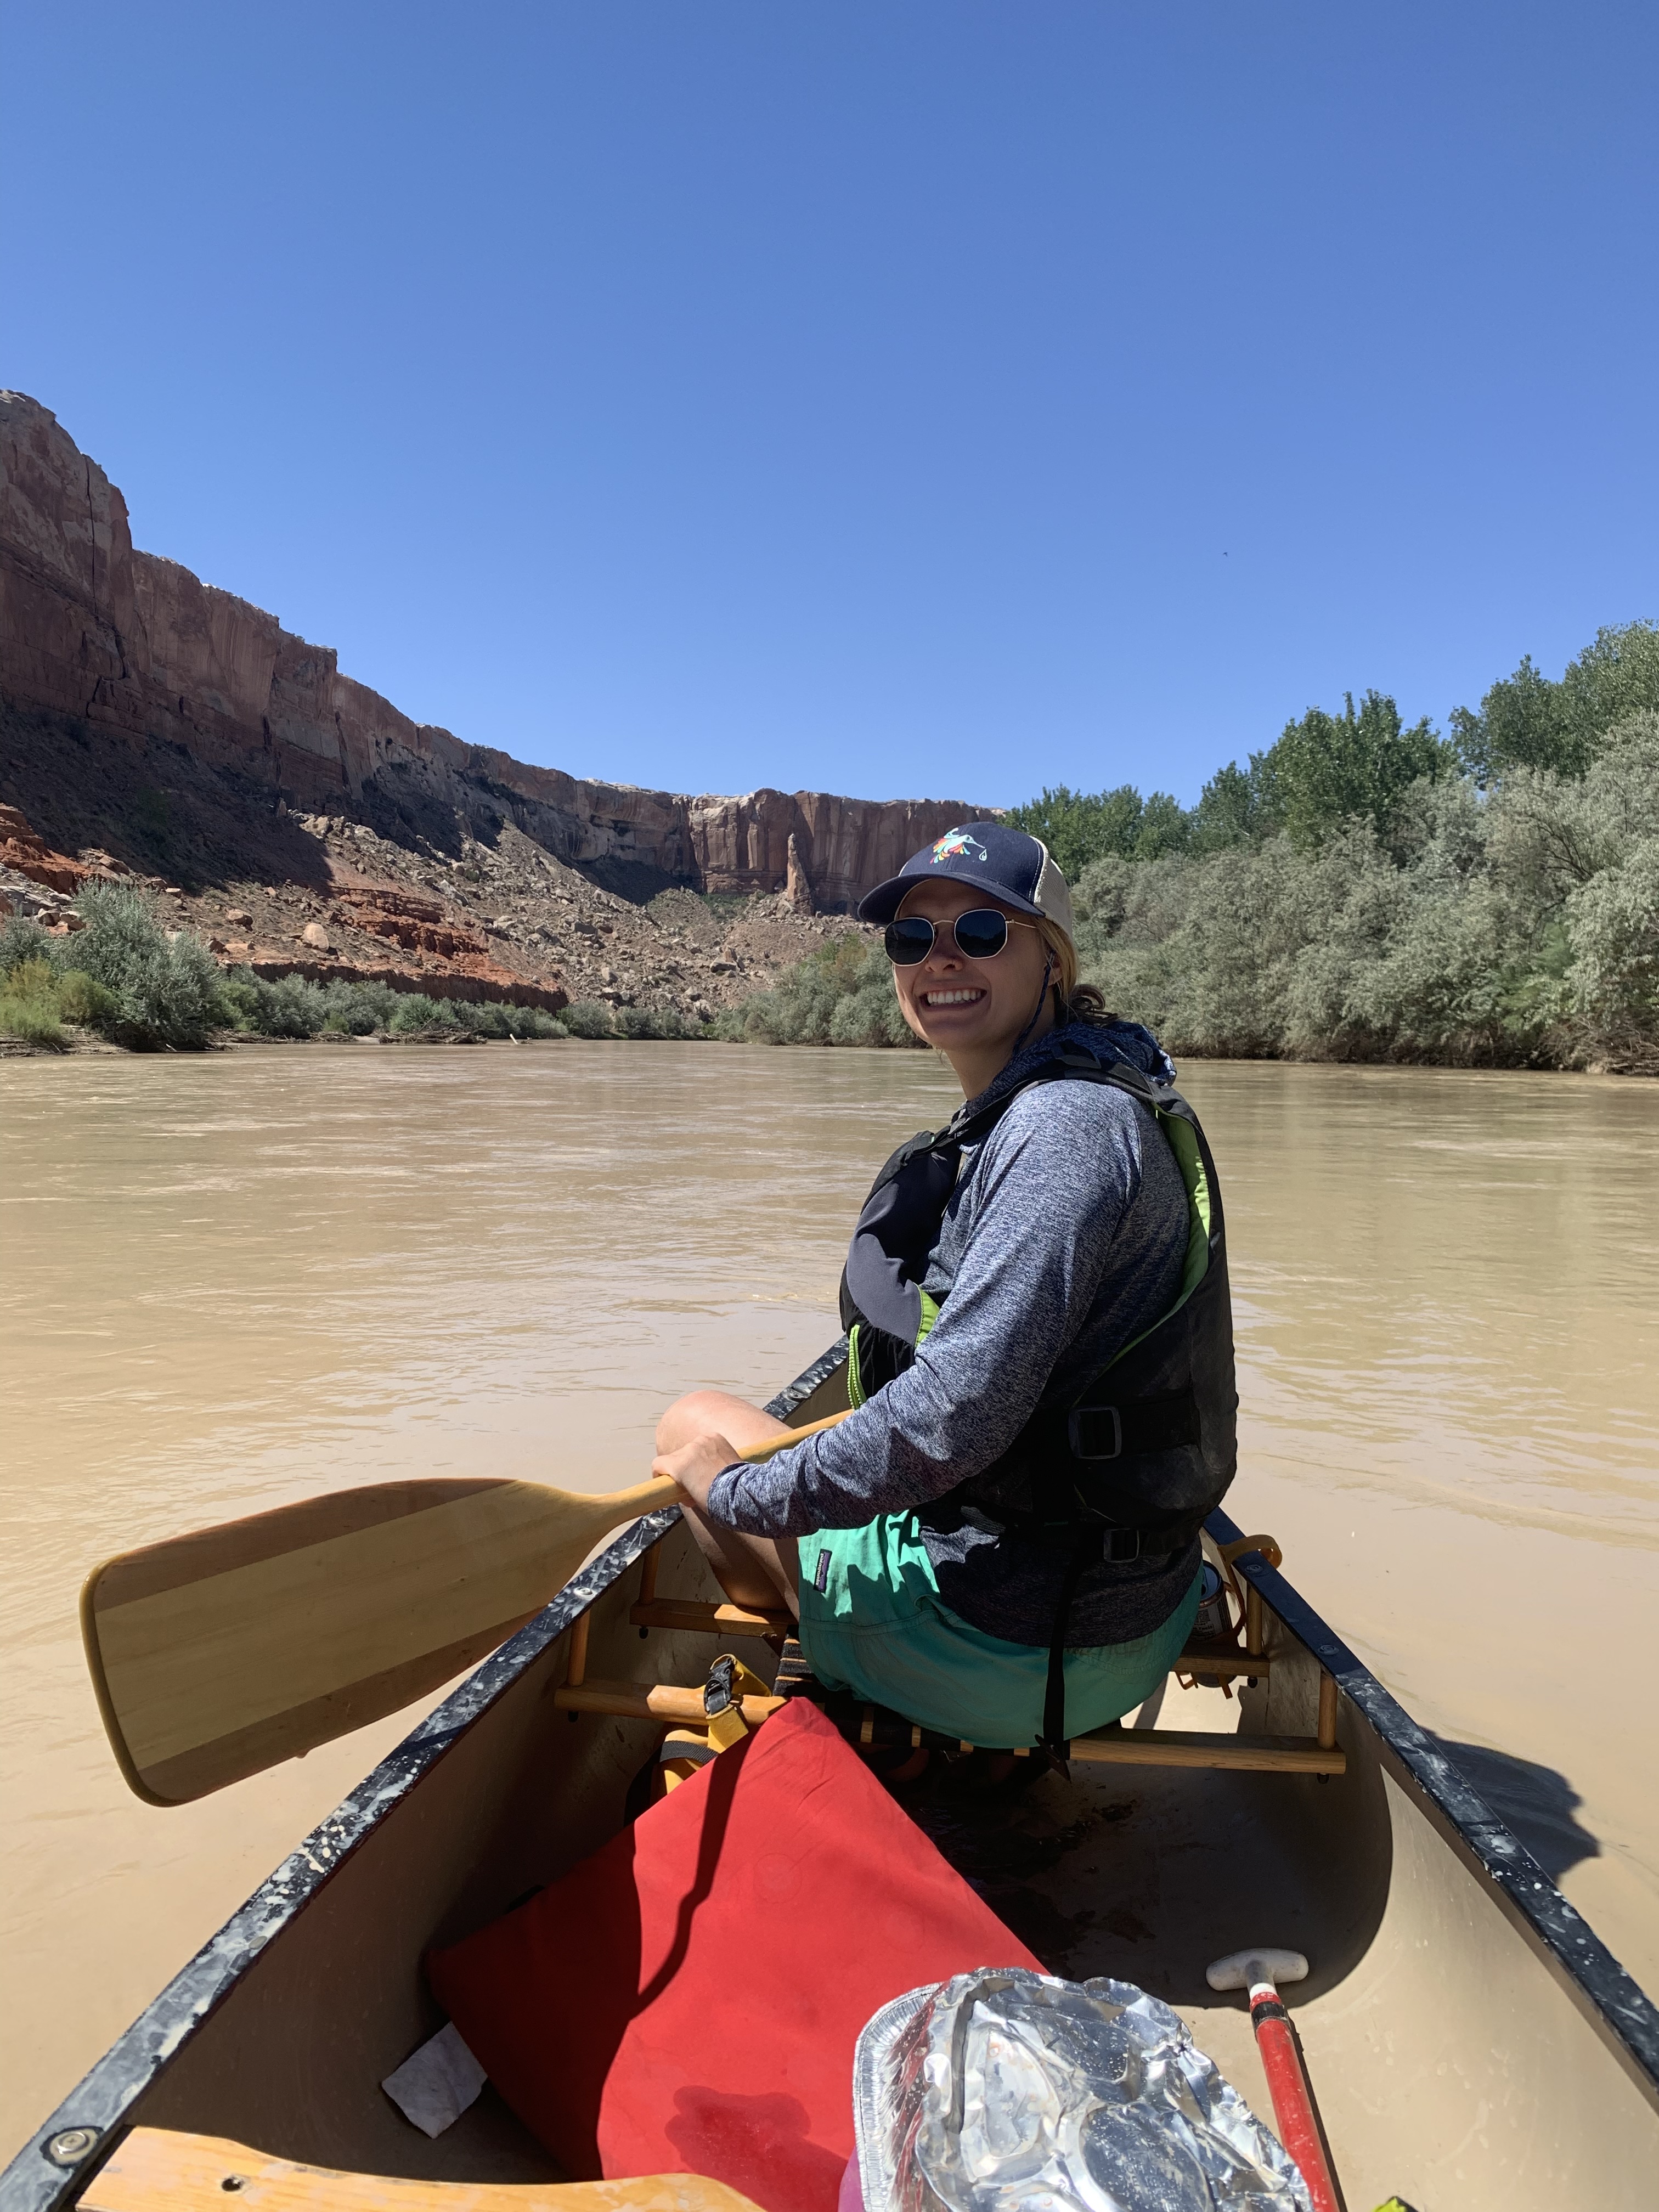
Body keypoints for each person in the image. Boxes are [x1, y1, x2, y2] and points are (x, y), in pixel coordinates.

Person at [653, 821, 1237, 1756]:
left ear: (1052, 956)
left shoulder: (1059, 1132)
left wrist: (735, 1495)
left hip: (1012, 1657)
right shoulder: (1111, 1090)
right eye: (912, 939)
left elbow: (952, 1419)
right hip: (1139, 1617)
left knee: (693, 1424)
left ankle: (849, 1653)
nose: (940, 960)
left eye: (981, 931)